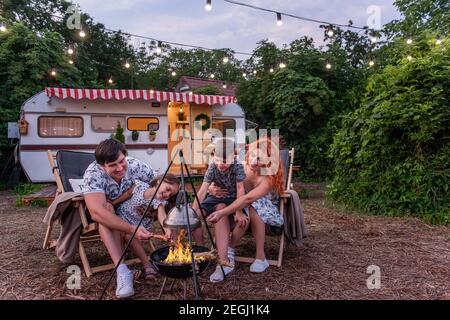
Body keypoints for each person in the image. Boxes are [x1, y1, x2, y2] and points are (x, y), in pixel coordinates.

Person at [82, 139, 159, 298]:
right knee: (106, 212)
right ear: (102, 166)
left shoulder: (135, 165)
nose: (120, 168)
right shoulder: (93, 174)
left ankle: (143, 264)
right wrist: (132, 229)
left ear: (125, 156)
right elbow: (96, 213)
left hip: (131, 209)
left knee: (117, 209)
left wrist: (153, 206)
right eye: (112, 165)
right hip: (107, 211)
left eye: (121, 161)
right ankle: (123, 272)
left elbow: (159, 183)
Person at [206, 137, 285, 281]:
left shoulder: (268, 178)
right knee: (221, 204)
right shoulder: (241, 166)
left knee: (254, 206)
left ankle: (260, 257)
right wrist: (211, 188)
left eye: (260, 159)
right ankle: (224, 261)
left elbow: (248, 199)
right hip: (239, 204)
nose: (254, 161)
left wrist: (226, 212)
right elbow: (218, 179)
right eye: (253, 155)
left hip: (263, 209)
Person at [191, 137, 248, 282]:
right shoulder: (212, 166)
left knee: (229, 213)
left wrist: (239, 211)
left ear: (234, 156)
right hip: (215, 197)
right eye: (217, 159)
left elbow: (241, 189)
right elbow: (203, 191)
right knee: (195, 215)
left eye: (225, 161)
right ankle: (201, 251)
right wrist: (191, 212)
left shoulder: (237, 166)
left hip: (233, 199)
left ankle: (223, 263)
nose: (220, 164)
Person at [114, 173, 180, 280]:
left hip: (138, 227)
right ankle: (121, 266)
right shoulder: (140, 186)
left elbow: (162, 215)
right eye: (168, 189)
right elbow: (126, 194)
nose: (167, 195)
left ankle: (147, 266)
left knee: (128, 236)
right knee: (120, 231)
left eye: (170, 194)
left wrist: (167, 229)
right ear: (159, 181)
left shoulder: (159, 201)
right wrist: (113, 203)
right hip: (121, 217)